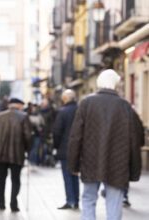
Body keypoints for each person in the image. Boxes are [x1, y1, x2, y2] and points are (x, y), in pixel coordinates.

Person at [68, 69, 145, 220]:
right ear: (116, 84)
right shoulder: (125, 106)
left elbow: (76, 137)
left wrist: (74, 164)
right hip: (118, 163)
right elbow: (135, 139)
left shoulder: (86, 104)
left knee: (89, 199)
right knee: (114, 202)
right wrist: (134, 169)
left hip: (90, 160)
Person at [0, 98, 32, 212]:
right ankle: (13, 204)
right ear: (18, 105)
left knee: (1, 179)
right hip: (17, 153)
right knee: (15, 179)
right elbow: (28, 136)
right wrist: (27, 149)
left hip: (1, 154)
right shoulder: (23, 117)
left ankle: (1, 204)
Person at [53, 89, 79, 210]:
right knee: (75, 175)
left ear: (64, 99)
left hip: (65, 148)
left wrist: (56, 146)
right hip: (78, 148)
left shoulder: (62, 112)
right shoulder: (80, 110)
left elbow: (57, 131)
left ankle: (70, 200)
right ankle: (76, 200)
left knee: (67, 176)